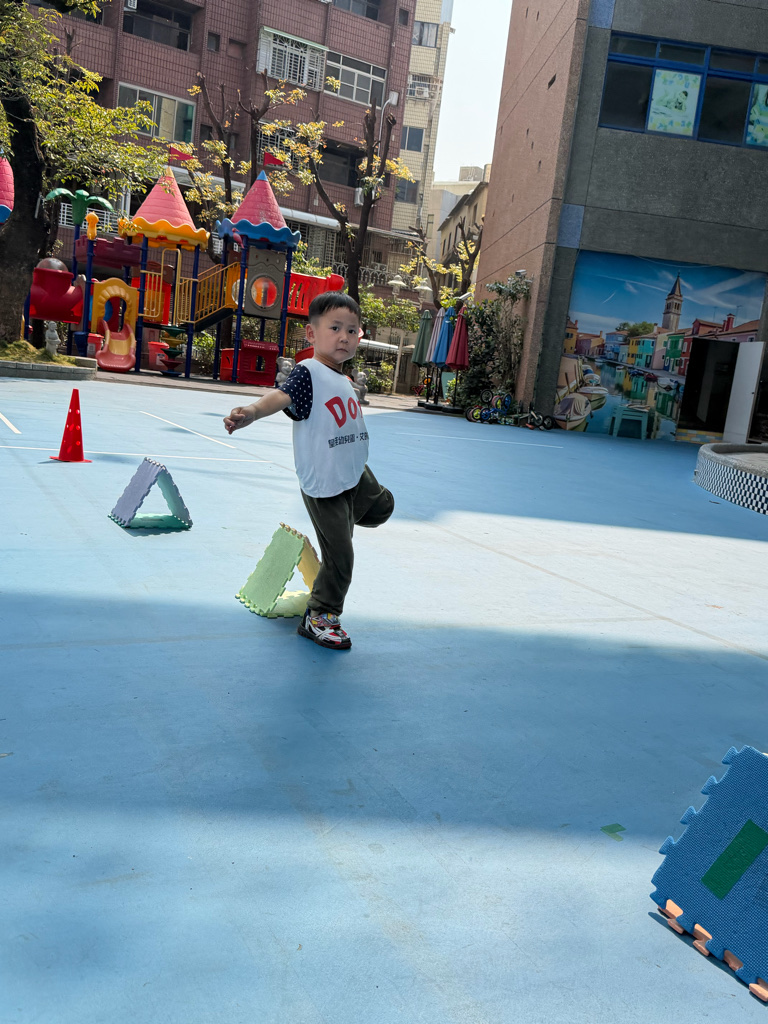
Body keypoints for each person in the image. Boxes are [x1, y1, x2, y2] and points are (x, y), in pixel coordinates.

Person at [223, 292, 394, 651]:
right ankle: (320, 615)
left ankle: (350, 517)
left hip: (354, 471)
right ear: (312, 334)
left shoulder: (342, 378)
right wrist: (252, 411)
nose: (345, 337)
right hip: (326, 484)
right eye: (335, 328)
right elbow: (280, 396)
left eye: (352, 330)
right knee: (341, 557)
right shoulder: (308, 373)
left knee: (383, 508)